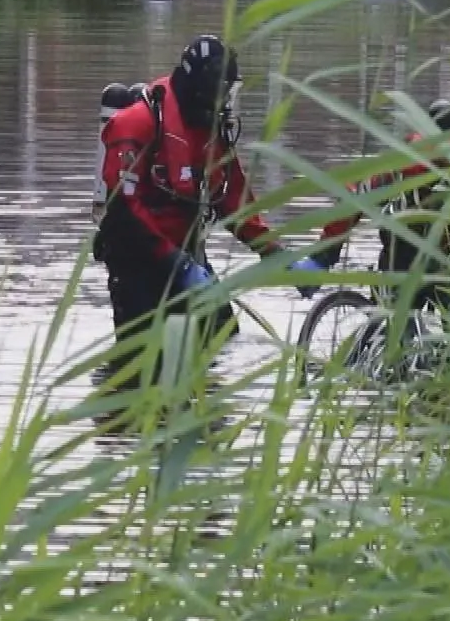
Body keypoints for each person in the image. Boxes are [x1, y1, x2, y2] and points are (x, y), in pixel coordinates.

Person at [92, 35, 325, 399]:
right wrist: (176, 264)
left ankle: (204, 418)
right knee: (139, 366)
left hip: (188, 257)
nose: (227, 101)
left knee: (222, 339)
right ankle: (124, 423)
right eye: (223, 91)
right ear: (203, 87)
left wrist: (280, 257)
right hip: (137, 261)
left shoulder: (211, 131)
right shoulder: (138, 124)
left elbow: (236, 204)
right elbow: (123, 211)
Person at [313, 100, 450, 312]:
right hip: (407, 245)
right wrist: (323, 255)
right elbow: (356, 193)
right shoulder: (418, 158)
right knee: (400, 314)